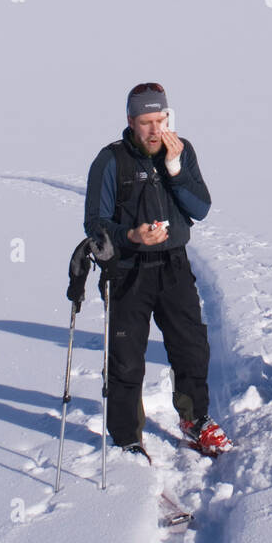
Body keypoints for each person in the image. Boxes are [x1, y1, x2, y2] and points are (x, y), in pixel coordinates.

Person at [82, 82, 231, 457]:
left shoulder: (182, 151)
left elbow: (201, 209)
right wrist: (130, 235)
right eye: (146, 121)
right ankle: (126, 435)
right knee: (126, 358)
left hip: (174, 266)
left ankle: (195, 419)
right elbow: (94, 223)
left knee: (191, 349)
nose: (154, 129)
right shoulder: (110, 160)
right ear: (131, 121)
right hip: (128, 272)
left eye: (160, 119)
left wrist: (175, 169)